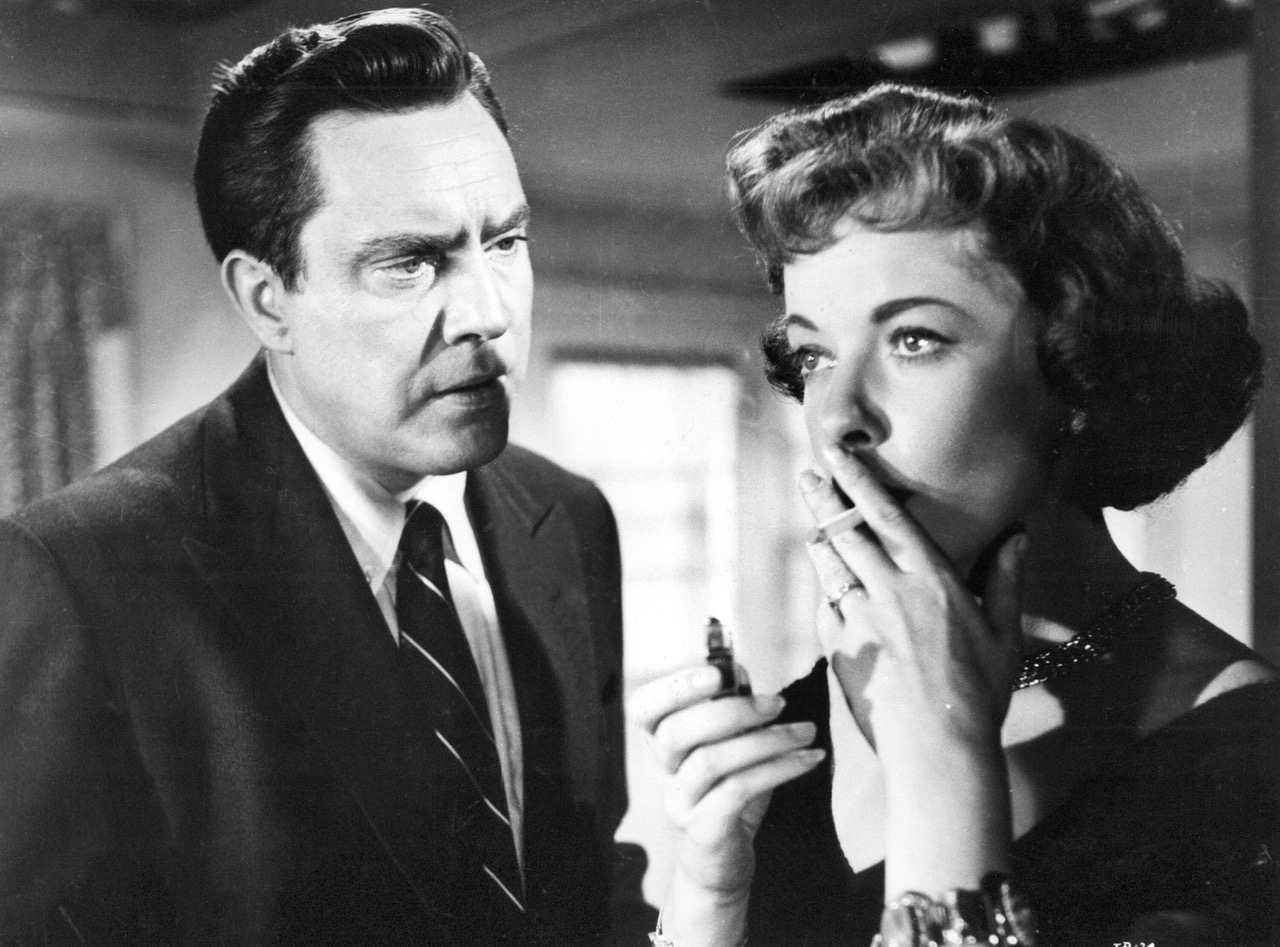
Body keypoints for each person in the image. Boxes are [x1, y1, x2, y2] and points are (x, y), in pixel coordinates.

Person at [0, 8, 654, 945]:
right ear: (268, 300)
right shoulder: (86, 576)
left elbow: (589, 888)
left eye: (505, 242)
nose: (489, 313)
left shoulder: (568, 516)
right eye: (410, 263)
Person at [629, 84, 1279, 947]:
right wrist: (707, 905)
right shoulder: (825, 696)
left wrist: (944, 770)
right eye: (814, 353)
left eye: (915, 339)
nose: (836, 416)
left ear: (1080, 375)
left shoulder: (1243, 752)